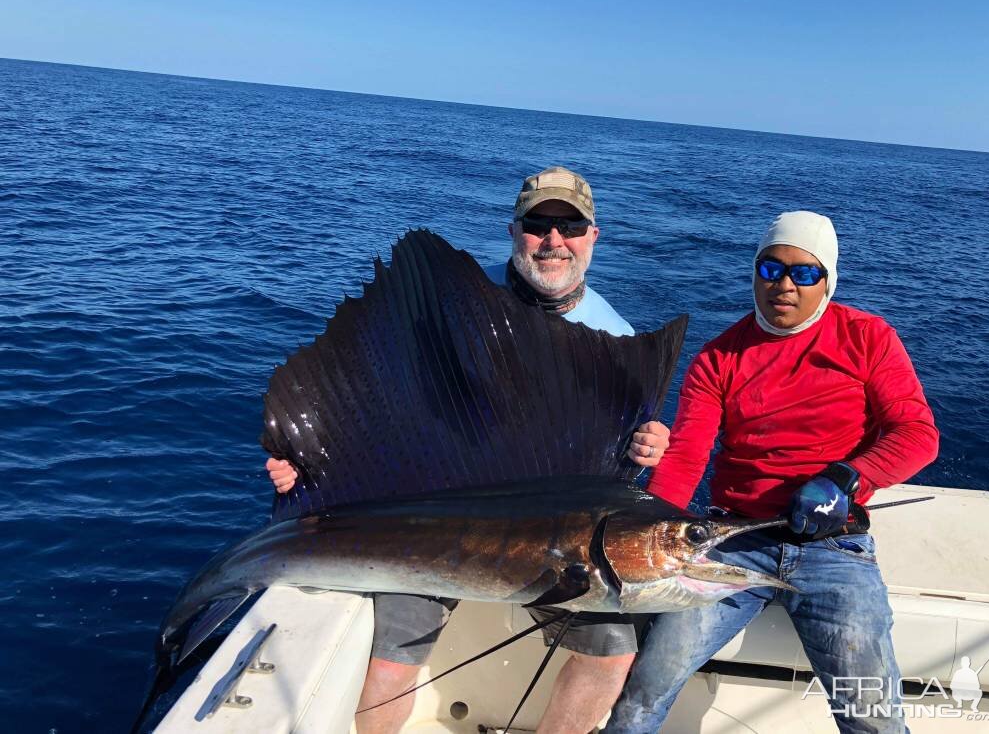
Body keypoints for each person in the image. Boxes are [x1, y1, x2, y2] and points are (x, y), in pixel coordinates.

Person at [266, 166, 671, 734]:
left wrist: (649, 452)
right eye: (538, 225)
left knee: (611, 654)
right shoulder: (454, 310)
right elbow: (379, 403)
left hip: (556, 543)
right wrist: (310, 464)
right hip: (437, 522)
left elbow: (616, 488)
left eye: (570, 227)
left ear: (593, 238)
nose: (554, 241)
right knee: (391, 659)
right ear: (514, 231)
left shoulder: (621, 341)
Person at [605, 211, 940, 733]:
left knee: (872, 717)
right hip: (734, 541)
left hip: (835, 548)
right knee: (641, 696)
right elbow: (688, 456)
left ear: (827, 280)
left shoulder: (868, 338)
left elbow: (918, 435)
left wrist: (847, 480)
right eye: (771, 269)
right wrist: (650, 534)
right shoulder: (718, 358)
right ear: (755, 272)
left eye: (804, 273)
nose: (784, 285)